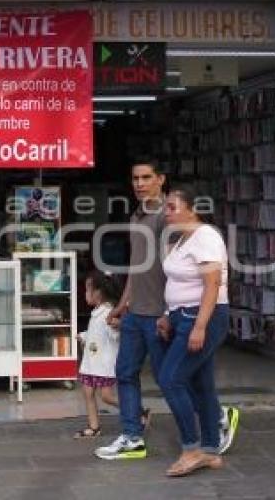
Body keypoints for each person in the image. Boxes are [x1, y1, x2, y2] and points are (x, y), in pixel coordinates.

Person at [95, 162, 239, 460]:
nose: (140, 183)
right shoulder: (138, 215)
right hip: (138, 311)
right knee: (126, 373)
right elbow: (138, 269)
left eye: (147, 177)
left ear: (161, 179)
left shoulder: (170, 218)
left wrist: (177, 316)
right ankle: (132, 436)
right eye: (135, 178)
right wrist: (121, 305)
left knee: (175, 378)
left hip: (163, 313)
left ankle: (208, 427)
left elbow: (185, 272)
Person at [155, 184, 230, 476]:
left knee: (170, 379)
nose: (167, 213)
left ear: (193, 209)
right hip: (181, 316)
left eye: (172, 207)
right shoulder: (182, 239)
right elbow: (179, 284)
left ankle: (192, 448)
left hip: (201, 318)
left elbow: (212, 285)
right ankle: (210, 449)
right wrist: (167, 315)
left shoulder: (206, 236)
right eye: (166, 207)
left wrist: (199, 326)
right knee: (201, 384)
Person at [73, 271, 123, 439]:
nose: (85, 293)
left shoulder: (108, 313)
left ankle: (136, 411)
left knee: (107, 397)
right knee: (87, 393)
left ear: (99, 293)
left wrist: (117, 327)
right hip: (90, 363)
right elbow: (96, 333)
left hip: (103, 364)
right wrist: (84, 336)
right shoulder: (97, 312)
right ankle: (94, 427)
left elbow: (114, 336)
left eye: (88, 289)